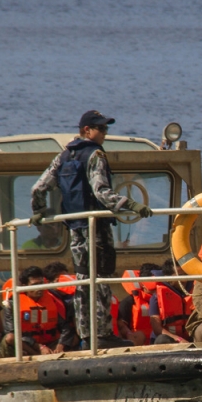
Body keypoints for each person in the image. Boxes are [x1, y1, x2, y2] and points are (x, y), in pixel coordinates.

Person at [31, 110, 153, 349]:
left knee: (84, 280)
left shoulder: (64, 155)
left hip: (76, 230)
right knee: (101, 279)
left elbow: (39, 187)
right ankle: (103, 334)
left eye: (106, 128)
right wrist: (131, 205)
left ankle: (87, 335)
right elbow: (101, 192)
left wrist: (39, 210)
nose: (105, 133)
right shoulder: (95, 154)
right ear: (87, 130)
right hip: (96, 228)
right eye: (101, 128)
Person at [0, 266, 76, 357]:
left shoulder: (53, 299)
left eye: (41, 284)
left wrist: (61, 344)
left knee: (74, 338)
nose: (39, 288)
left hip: (50, 343)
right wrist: (39, 347)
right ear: (24, 287)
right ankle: (37, 356)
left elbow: (65, 327)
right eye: (34, 285)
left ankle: (52, 355)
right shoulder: (13, 304)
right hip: (27, 345)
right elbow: (11, 332)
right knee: (10, 338)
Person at [149, 260, 193, 344]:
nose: (184, 280)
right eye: (180, 276)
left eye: (185, 275)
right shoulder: (155, 298)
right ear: (168, 277)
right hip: (169, 340)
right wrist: (179, 340)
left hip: (189, 338)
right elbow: (157, 328)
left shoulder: (194, 292)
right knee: (162, 339)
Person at [118, 263, 158, 346]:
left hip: (160, 342)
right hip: (138, 345)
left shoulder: (165, 299)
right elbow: (121, 328)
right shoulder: (128, 302)